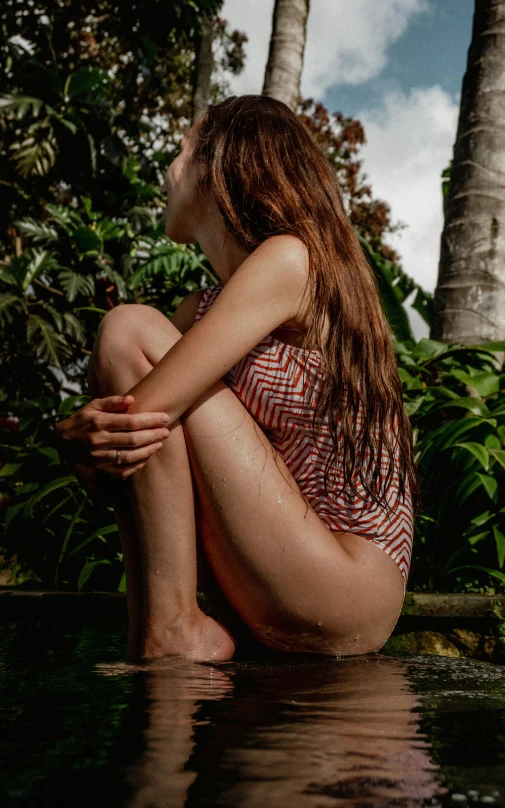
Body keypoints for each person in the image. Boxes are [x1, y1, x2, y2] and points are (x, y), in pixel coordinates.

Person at [55, 94, 422, 663]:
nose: (168, 167)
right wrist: (91, 448)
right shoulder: (197, 311)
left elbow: (117, 434)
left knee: (127, 330)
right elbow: (123, 464)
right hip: (270, 568)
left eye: (181, 149)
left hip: (345, 580)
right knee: (144, 372)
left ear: (217, 165)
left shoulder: (291, 260)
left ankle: (172, 627)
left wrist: (74, 441)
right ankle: (156, 633)